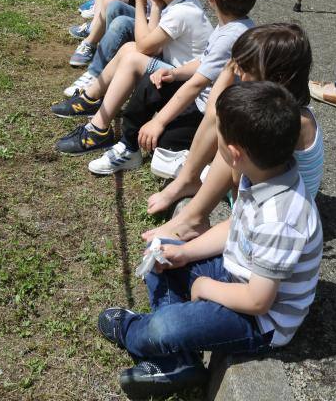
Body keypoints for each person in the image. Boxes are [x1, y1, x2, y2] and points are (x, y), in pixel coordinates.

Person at [98, 81, 322, 398]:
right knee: (161, 252)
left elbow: (258, 301)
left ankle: (134, 331)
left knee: (165, 327)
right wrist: (185, 253)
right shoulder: (263, 174)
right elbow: (235, 227)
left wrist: (205, 287)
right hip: (236, 275)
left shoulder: (280, 218)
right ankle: (181, 361)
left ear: (235, 154)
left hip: (259, 321)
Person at [144, 23, 323, 243]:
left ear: (277, 77)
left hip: (275, 209)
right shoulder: (285, 108)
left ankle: (194, 217)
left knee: (232, 136)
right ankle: (188, 182)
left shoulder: (288, 121)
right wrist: (229, 69)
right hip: (261, 183)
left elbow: (238, 175)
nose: (239, 75)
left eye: (246, 69)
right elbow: (213, 113)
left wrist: (226, 81)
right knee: (225, 121)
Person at [87, 0, 263, 176]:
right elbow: (205, 62)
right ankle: (129, 146)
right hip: (202, 103)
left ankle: (205, 169)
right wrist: (175, 73)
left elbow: (196, 85)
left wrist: (159, 122)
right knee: (153, 82)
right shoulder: (236, 25)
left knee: (163, 145)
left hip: (208, 115)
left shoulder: (230, 36)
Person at [50, 0, 213, 156]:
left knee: (134, 57)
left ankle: (98, 130)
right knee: (129, 49)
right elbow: (151, 45)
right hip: (180, 76)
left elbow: (145, 47)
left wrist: (140, 2)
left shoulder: (182, 13)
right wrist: (155, 6)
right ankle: (92, 97)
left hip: (194, 94)